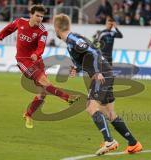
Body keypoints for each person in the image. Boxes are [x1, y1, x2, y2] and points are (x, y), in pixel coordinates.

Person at [53, 13, 142, 156]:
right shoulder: (71, 41)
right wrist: (77, 68)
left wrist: (96, 71)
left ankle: (109, 141)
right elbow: (86, 58)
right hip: (105, 72)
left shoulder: (73, 39)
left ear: (56, 28)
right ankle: (133, 143)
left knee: (91, 107)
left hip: (101, 74)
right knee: (109, 113)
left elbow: (94, 52)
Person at [0, 5, 79, 129]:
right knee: (45, 82)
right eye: (37, 15)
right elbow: (9, 28)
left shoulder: (42, 31)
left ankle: (28, 114)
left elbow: (41, 46)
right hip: (23, 61)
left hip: (37, 62)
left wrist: (37, 53)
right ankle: (67, 98)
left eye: (41, 16)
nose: (40, 18)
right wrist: (1, 35)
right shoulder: (20, 22)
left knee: (43, 93)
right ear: (31, 14)